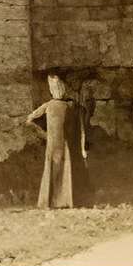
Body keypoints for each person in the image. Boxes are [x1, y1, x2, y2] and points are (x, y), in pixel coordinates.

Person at [26, 73, 90, 209]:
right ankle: (64, 201)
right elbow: (30, 120)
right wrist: (44, 134)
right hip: (61, 144)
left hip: (56, 143)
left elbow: (30, 119)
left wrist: (44, 134)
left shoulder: (54, 105)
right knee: (64, 169)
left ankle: (53, 201)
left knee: (56, 170)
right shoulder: (68, 105)